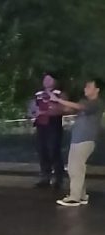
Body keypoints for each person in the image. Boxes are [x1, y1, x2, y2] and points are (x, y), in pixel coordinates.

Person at [50, 77, 101, 207]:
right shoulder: (86, 103)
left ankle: (75, 197)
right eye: (86, 86)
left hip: (85, 139)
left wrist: (59, 100)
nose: (85, 89)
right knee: (77, 167)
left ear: (97, 89)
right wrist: (56, 105)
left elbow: (78, 106)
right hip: (78, 139)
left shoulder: (96, 102)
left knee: (75, 168)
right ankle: (81, 195)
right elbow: (72, 109)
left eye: (89, 86)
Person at [29, 73, 65, 188]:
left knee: (54, 150)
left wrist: (46, 112)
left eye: (50, 79)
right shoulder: (38, 94)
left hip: (53, 125)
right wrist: (32, 113)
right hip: (41, 125)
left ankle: (59, 179)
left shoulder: (59, 94)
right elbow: (32, 108)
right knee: (42, 151)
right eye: (45, 79)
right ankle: (45, 177)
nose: (47, 81)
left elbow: (62, 109)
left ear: (55, 81)